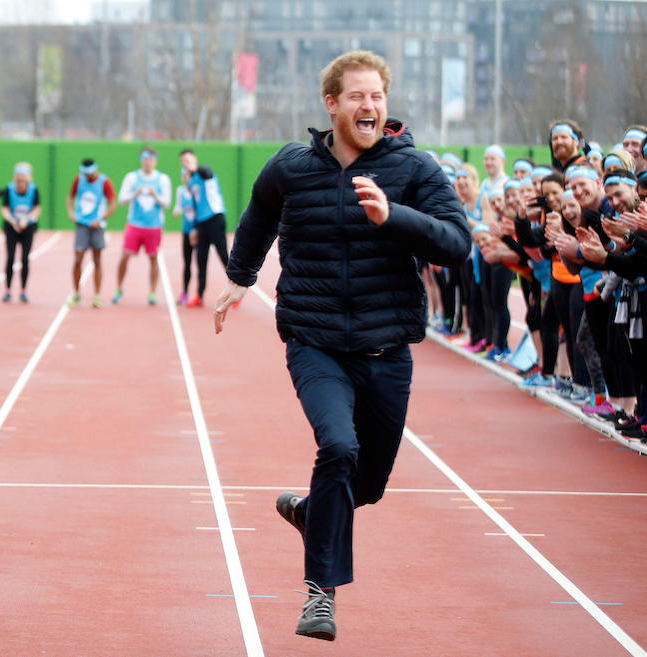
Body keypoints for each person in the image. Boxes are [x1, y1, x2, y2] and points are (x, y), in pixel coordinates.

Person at [212, 50, 469, 641]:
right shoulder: (292, 167)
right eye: (357, 96)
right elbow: (257, 219)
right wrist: (238, 278)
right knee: (338, 447)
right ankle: (320, 596)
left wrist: (395, 216)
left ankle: (311, 513)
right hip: (315, 341)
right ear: (332, 104)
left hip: (386, 349)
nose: (369, 106)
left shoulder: (414, 170)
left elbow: (456, 242)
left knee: (366, 487)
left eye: (377, 96)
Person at [112, 147, 171, 305]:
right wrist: (135, 193)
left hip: (154, 226)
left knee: (153, 258)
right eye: (145, 158)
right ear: (141, 160)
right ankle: (119, 287)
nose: (148, 162)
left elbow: (166, 203)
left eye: (151, 159)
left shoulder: (162, 179)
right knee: (125, 256)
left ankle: (152, 292)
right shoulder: (132, 178)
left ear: (155, 161)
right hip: (134, 224)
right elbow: (121, 200)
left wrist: (155, 195)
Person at [180, 148, 230, 307]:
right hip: (201, 223)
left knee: (223, 255)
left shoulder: (204, 172)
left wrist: (193, 168)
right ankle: (199, 294)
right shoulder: (192, 181)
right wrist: (194, 227)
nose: (186, 164)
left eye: (188, 160)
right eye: (183, 162)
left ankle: (236, 289)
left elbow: (206, 171)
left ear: (194, 159)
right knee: (201, 259)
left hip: (215, 218)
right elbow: (195, 205)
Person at [66, 158, 116, 308]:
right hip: (81, 224)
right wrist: (70, 212)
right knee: (78, 259)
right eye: (85, 173)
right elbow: (70, 197)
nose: (88, 176)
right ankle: (76, 293)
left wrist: (101, 218)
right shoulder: (78, 179)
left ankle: (97, 295)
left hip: (97, 226)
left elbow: (113, 203)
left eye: (90, 173)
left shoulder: (104, 181)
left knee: (97, 260)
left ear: (95, 170)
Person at [0, 162, 41, 303]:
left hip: (28, 227)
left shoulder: (34, 190)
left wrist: (26, 220)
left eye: (24, 177)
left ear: (28, 178)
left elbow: (37, 208)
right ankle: (7, 290)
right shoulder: (9, 189)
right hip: (12, 227)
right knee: (10, 257)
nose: (21, 180)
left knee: (25, 258)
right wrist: (13, 222)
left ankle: (23, 290)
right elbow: (4, 209)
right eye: (19, 177)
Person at [173, 171, 198, 306]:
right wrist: (176, 210)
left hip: (199, 232)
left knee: (200, 263)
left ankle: (199, 293)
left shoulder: (197, 191)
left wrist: (197, 229)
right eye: (184, 176)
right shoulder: (180, 190)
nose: (186, 179)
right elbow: (179, 205)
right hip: (186, 232)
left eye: (189, 176)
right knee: (187, 263)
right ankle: (185, 292)